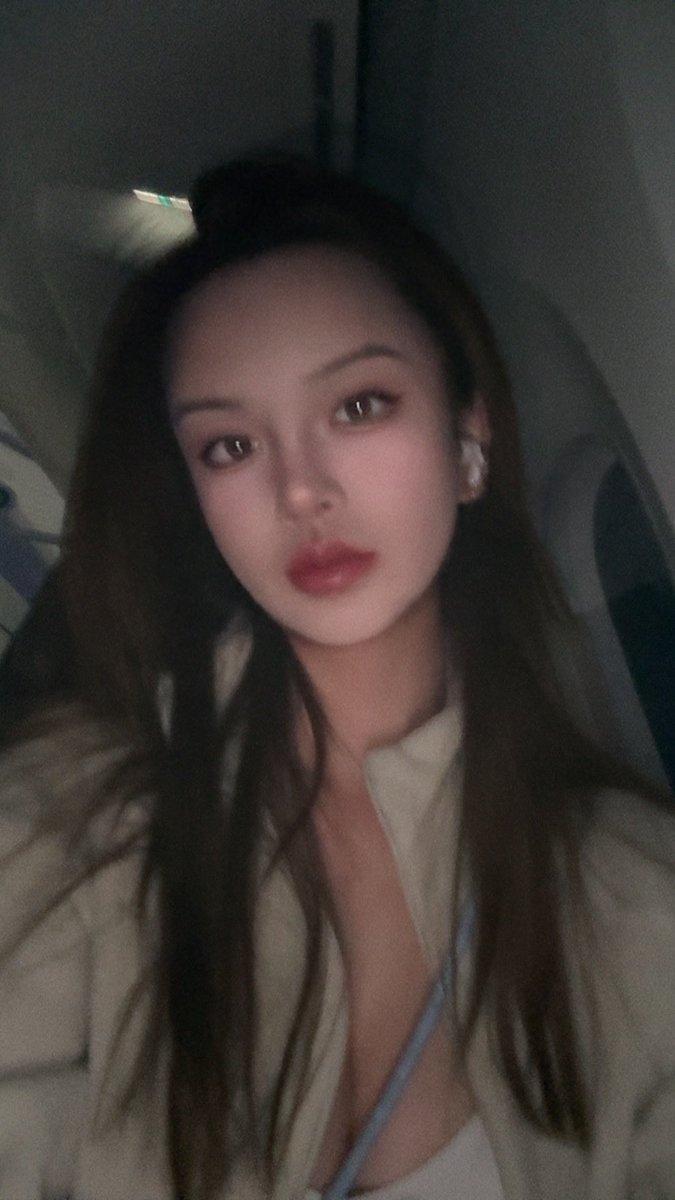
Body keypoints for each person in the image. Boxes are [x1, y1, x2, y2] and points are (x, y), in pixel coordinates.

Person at [0, 156, 674, 1200]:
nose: (300, 490)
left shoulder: (633, 897)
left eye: (359, 405)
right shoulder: (61, 825)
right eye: (230, 445)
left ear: (468, 436)